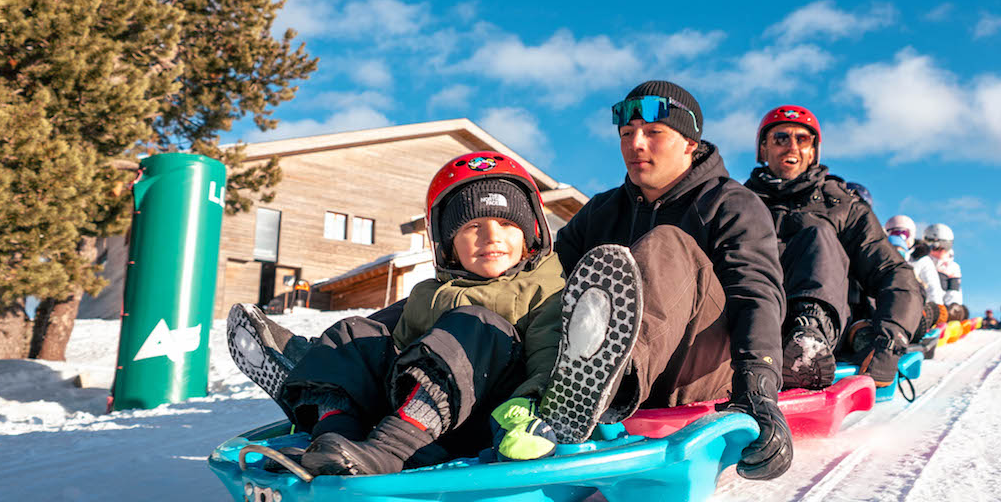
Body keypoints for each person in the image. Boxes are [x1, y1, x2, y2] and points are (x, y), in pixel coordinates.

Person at [498, 80, 794, 480]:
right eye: (626, 134)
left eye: (654, 133)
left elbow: (755, 292)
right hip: (611, 381)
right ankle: (573, 388)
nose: (636, 144)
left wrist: (759, 386)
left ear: (690, 143)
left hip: (698, 370)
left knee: (665, 245)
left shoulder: (731, 203)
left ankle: (597, 388)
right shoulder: (602, 210)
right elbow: (544, 282)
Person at [225, 151, 564, 475]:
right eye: (472, 227)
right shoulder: (428, 294)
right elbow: (393, 356)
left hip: (488, 418)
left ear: (531, 233)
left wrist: (530, 409)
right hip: (422, 421)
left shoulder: (544, 287)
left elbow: (549, 353)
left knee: (476, 324)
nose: (491, 237)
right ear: (447, 245)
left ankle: (387, 451)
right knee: (354, 334)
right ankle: (332, 438)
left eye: (506, 223)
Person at [745, 105, 925, 391]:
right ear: (763, 149)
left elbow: (892, 271)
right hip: (750, 324)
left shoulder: (842, 206)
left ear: (813, 151)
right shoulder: (740, 203)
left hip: (823, 326)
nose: (791, 146)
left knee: (817, 235)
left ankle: (806, 346)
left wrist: (891, 341)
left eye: (802, 140)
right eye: (780, 138)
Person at [885, 214, 947, 329]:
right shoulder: (883, 256)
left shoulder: (921, 259)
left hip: (916, 306)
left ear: (911, 235)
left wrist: (938, 308)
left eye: (903, 234)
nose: (899, 237)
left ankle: (926, 326)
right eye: (893, 233)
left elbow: (933, 286)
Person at [919, 222, 966, 321]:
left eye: (945, 245)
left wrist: (952, 308)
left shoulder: (952, 266)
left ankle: (951, 322)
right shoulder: (921, 261)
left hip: (944, 307)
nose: (941, 250)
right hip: (924, 304)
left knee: (960, 310)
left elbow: (954, 291)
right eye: (936, 246)